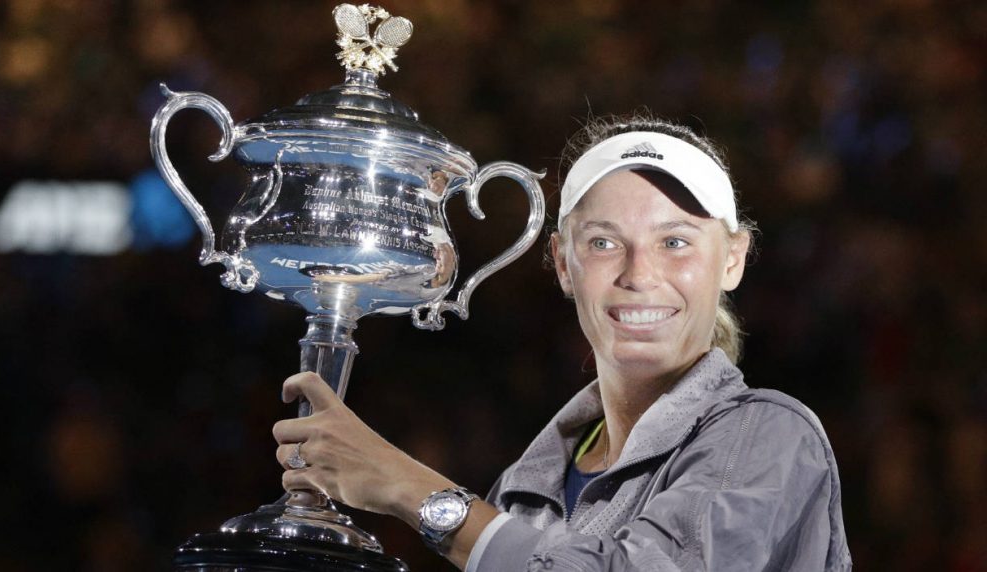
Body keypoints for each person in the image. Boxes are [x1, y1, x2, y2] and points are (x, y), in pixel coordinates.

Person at [273, 113, 853, 571]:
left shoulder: (770, 435)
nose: (639, 274)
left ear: (732, 260)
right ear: (562, 263)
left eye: (675, 242)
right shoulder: (520, 494)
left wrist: (410, 488)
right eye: (603, 242)